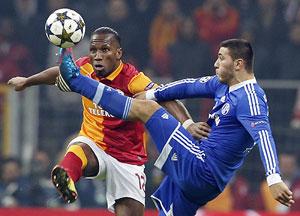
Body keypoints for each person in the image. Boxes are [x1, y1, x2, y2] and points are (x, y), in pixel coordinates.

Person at [55, 38, 295, 216]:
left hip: (202, 168)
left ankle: (76, 80)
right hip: (200, 182)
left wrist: (273, 177)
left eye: (221, 58)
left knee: (148, 111)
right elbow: (188, 87)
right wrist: (152, 93)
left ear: (238, 64)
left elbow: (263, 135)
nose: (215, 63)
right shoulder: (223, 84)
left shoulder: (250, 98)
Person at [7, 27, 209, 215]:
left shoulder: (133, 78)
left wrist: (188, 124)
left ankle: (70, 174)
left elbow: (165, 97)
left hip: (127, 157)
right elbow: (60, 73)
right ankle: (66, 174)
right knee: (80, 147)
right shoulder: (85, 67)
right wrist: (27, 81)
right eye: (93, 50)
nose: (97, 56)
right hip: (94, 142)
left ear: (118, 53)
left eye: (105, 50)